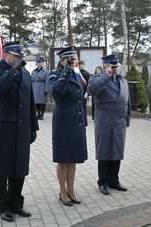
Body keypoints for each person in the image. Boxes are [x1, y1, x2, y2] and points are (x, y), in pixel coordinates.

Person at [0, 41, 39, 222]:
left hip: (23, 126)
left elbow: (30, 99)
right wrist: (14, 71)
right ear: (6, 55)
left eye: (20, 56)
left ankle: (16, 203)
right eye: (15, 55)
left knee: (19, 166)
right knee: (3, 168)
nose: (19, 58)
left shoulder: (24, 72)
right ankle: (3, 206)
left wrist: (33, 126)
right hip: (4, 127)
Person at [49, 46, 88, 206]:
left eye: (74, 59)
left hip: (76, 121)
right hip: (63, 121)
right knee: (63, 159)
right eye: (70, 60)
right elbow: (57, 92)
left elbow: (81, 100)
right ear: (62, 60)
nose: (73, 62)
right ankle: (62, 191)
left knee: (73, 159)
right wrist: (65, 71)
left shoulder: (77, 76)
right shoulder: (55, 74)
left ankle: (71, 189)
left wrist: (83, 120)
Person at [88, 54, 131, 195]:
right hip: (105, 120)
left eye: (116, 67)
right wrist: (106, 75)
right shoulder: (97, 78)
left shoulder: (123, 81)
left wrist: (127, 119)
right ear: (106, 66)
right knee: (105, 151)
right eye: (112, 66)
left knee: (117, 151)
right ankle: (103, 182)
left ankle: (114, 180)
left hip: (119, 120)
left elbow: (127, 100)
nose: (115, 69)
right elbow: (93, 91)